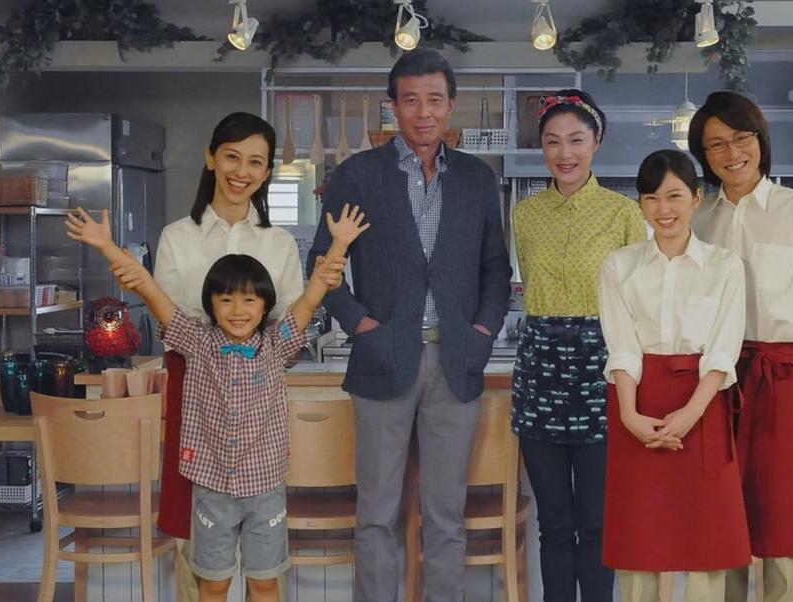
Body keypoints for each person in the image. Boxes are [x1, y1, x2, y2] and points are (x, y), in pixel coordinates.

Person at [66, 204, 367, 602]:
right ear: (211, 304)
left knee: (264, 583)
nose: (238, 311)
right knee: (213, 584)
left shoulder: (276, 345)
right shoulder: (196, 342)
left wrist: (340, 244)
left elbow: (312, 296)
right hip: (211, 489)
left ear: (265, 306)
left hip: (265, 489)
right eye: (226, 300)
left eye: (249, 301)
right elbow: (148, 289)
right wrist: (106, 246)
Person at [307, 48, 512, 602]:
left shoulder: (476, 179)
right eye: (412, 100)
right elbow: (323, 263)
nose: (424, 113)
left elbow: (496, 267)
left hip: (456, 362)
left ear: (451, 106)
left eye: (435, 100)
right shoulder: (357, 175)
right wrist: (359, 324)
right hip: (381, 359)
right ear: (392, 106)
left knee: (446, 513)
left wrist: (483, 332)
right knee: (376, 513)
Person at [688, 91, 793, 602]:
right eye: (716, 144)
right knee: (721, 507)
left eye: (741, 138)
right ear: (703, 155)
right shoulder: (699, 220)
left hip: (775, 372)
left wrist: (782, 335)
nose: (731, 153)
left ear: (760, 140)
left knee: (782, 507)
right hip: (713, 378)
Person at [152, 112, 305, 602]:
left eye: (255, 162)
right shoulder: (177, 237)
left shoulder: (279, 243)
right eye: (232, 157)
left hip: (258, 401)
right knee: (193, 537)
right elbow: (173, 324)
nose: (242, 171)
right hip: (193, 393)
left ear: (267, 171)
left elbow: (288, 327)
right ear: (211, 158)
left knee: (264, 560)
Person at [510, 88, 646, 601]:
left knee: (595, 520)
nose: (564, 153)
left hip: (601, 371)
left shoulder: (625, 214)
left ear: (596, 142)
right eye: (552, 142)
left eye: (576, 140)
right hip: (539, 370)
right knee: (553, 523)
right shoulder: (525, 214)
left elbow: (639, 303)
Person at [598, 150, 751, 602]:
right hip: (637, 406)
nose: (663, 209)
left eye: (674, 196)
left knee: (708, 544)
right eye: (651, 198)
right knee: (638, 543)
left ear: (697, 198)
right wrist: (629, 415)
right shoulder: (618, 265)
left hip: (703, 405)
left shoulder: (725, 266)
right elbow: (623, 347)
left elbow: (722, 350)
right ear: (640, 205)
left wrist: (690, 414)